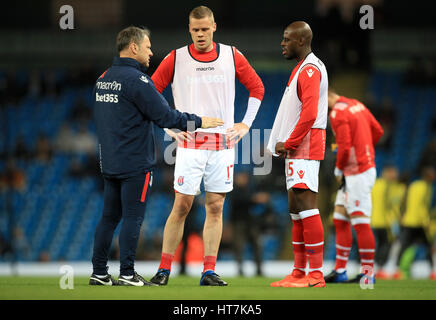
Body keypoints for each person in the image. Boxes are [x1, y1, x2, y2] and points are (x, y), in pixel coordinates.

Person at [90, 26, 223, 286]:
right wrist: (200, 121)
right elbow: (167, 116)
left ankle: (99, 272)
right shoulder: (137, 81)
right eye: (148, 47)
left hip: (109, 161)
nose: (152, 52)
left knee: (108, 217)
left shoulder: (103, 78)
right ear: (134, 47)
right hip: (135, 164)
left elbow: (123, 116)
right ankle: (127, 273)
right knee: (133, 217)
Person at [149, 6, 264, 286]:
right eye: (195, 29)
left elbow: (257, 88)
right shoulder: (175, 58)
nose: (200, 34)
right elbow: (150, 93)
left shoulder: (232, 55)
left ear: (214, 27)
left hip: (223, 145)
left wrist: (246, 125)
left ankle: (209, 271)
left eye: (204, 29)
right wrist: (168, 127)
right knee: (182, 205)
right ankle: (164, 269)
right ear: (189, 29)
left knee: (215, 207)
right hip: (191, 144)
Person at [267, 21, 328, 288]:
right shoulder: (300, 69)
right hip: (297, 147)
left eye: (287, 39)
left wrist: (289, 142)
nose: (282, 43)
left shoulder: (311, 69)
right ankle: (299, 272)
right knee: (295, 209)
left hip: (305, 145)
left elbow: (310, 114)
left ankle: (315, 275)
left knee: (307, 207)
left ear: (301, 41)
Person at [324, 90, 384, 284]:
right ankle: (340, 271)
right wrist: (365, 149)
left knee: (360, 223)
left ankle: (368, 273)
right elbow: (378, 131)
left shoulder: (337, 113)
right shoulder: (356, 104)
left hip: (357, 173)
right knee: (340, 218)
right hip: (357, 170)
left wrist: (338, 169)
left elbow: (345, 146)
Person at [394, 166, 436, 280]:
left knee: (404, 246)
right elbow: (422, 206)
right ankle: (432, 270)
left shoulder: (413, 185)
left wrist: (401, 216)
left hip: (408, 221)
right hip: (419, 222)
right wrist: (426, 221)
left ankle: (397, 270)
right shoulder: (427, 187)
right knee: (428, 246)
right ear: (428, 176)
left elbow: (404, 201)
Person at [371, 165, 406, 279]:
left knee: (385, 245)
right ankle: (379, 267)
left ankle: (380, 267)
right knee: (383, 245)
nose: (394, 175)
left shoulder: (396, 187)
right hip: (381, 222)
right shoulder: (382, 186)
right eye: (391, 172)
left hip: (382, 222)